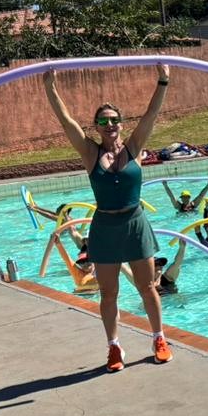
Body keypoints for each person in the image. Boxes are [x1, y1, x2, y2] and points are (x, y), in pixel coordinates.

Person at [43, 64, 171, 372]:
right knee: (109, 292)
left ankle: (159, 339)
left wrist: (163, 79)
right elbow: (66, 120)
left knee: (147, 286)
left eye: (114, 120)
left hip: (135, 223)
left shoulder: (134, 147)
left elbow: (151, 114)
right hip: (105, 227)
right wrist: (50, 87)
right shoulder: (90, 153)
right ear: (97, 126)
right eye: (103, 120)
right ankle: (114, 347)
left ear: (122, 124)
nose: (109, 124)